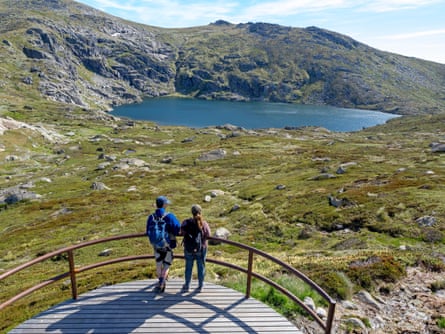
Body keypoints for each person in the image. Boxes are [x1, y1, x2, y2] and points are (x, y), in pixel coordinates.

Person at [146, 196, 181, 292]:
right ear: (164, 204)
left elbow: (147, 231)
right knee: (167, 264)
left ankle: (159, 281)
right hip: (167, 244)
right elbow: (177, 228)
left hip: (156, 245)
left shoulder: (151, 217)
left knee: (158, 264)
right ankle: (162, 281)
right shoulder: (169, 216)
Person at [180, 204, 211, 292]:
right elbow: (208, 234)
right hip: (201, 248)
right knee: (201, 267)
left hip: (188, 248)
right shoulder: (203, 223)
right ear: (200, 212)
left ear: (191, 212)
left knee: (188, 267)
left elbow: (181, 231)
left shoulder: (186, 222)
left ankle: (187, 285)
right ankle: (200, 286)